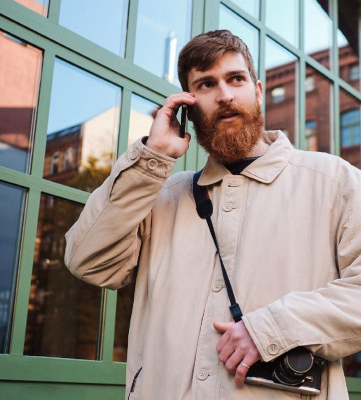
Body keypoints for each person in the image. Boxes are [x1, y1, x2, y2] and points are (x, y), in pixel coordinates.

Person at [64, 30, 361, 399]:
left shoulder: (334, 181)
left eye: (235, 79)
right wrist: (150, 158)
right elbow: (88, 261)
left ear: (257, 89)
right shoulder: (159, 194)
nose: (224, 95)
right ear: (188, 107)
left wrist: (273, 327)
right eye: (206, 84)